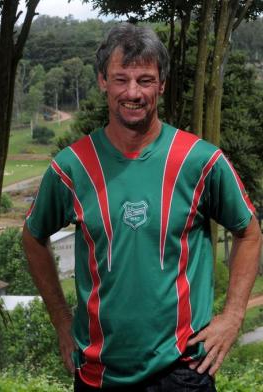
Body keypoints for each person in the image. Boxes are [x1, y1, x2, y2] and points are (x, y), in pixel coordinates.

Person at [22, 24, 262, 391]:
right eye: (121, 79)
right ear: (103, 81)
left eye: (145, 80)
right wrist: (60, 319)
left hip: (184, 370)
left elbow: (248, 232)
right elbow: (33, 237)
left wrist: (232, 317)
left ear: (162, 84)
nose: (132, 92)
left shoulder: (200, 161)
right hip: (97, 371)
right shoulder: (72, 167)